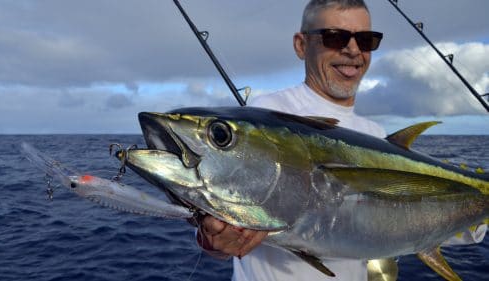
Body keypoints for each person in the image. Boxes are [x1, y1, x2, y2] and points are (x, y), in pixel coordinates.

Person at [196, 0, 486, 280]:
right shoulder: (261, 118)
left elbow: (408, 222)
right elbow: (213, 222)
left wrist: (477, 213)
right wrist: (215, 240)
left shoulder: (373, 132)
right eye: (334, 37)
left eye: (366, 40)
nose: (352, 50)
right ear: (301, 45)